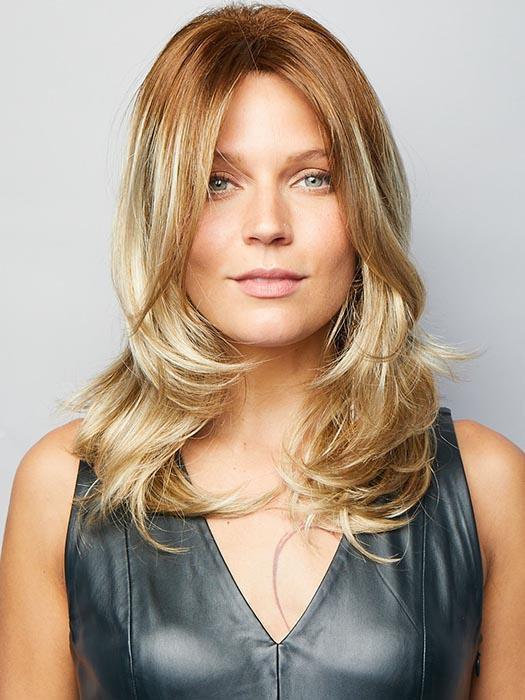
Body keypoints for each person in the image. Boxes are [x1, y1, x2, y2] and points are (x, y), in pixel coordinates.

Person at [1, 3, 524, 698]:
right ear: (162, 213)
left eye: (312, 177)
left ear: (365, 206)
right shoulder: (60, 487)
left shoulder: (488, 485)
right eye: (217, 182)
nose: (268, 225)